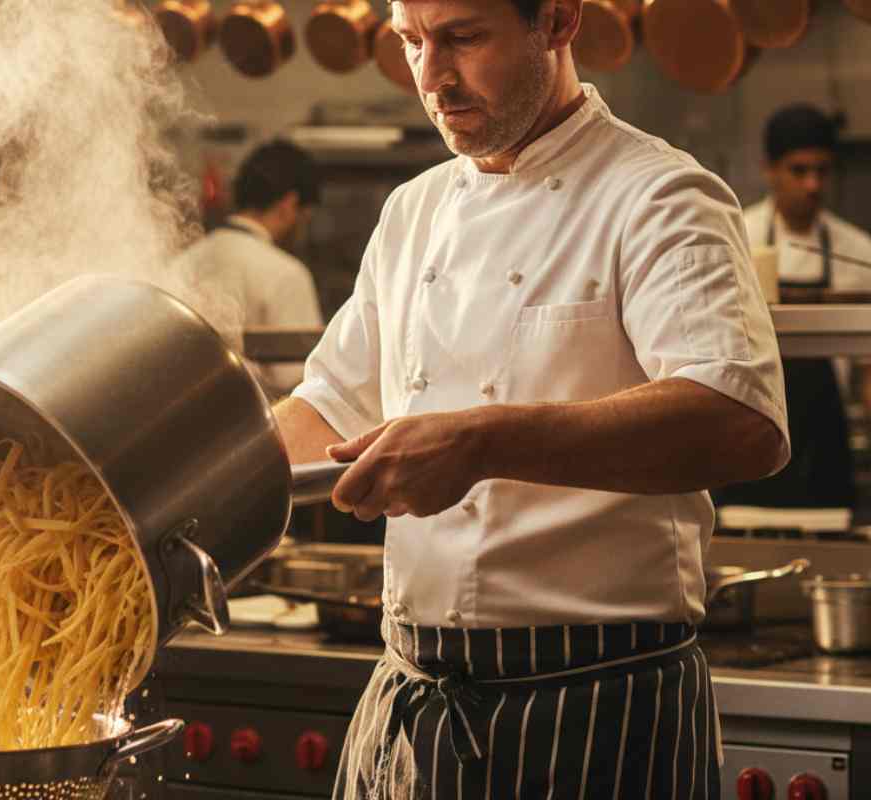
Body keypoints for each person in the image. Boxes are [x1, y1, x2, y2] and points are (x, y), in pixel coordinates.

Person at [272, 0, 790, 796]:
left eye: (463, 39)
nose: (432, 78)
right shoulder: (414, 211)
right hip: (413, 694)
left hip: (597, 706)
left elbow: (738, 420)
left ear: (557, 20)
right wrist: (167, 503)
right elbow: (329, 405)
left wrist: (483, 442)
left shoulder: (658, 195)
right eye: (412, 43)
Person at [714, 104, 871, 509]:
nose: (813, 184)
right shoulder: (736, 237)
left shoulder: (856, 250)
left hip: (824, 441)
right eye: (799, 170)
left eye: (822, 171)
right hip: (751, 433)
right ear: (769, 168)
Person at [178, 140, 324, 397]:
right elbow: (301, 379)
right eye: (306, 218)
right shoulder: (286, 272)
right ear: (290, 205)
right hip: (259, 427)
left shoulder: (183, 262)